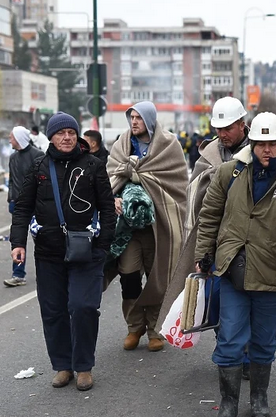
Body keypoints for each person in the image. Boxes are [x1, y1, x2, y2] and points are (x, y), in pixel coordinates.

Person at [195, 112, 276, 417]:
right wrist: (204, 254)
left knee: (265, 340)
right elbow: (209, 216)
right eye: (260, 143)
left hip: (273, 272)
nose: (266, 149)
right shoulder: (229, 173)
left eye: (272, 144)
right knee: (229, 339)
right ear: (252, 143)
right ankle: (228, 403)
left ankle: (259, 400)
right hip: (232, 271)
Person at [10, 112, 116, 390]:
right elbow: (23, 207)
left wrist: (103, 245)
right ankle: (63, 366)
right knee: (53, 310)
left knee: (83, 307)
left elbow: (107, 208)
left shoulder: (93, 165)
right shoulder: (39, 167)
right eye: (60, 133)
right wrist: (17, 243)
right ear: (51, 137)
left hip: (87, 252)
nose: (66, 137)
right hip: (48, 252)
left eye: (71, 132)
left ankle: (83, 367)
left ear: (77, 135)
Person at [157, 96, 252, 378]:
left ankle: (246, 354)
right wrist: (202, 251)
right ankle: (231, 353)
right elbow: (196, 196)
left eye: (228, 128)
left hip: (251, 240)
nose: (222, 134)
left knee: (251, 301)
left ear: (242, 124)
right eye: (218, 128)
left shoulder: (259, 151)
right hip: (214, 237)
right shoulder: (208, 154)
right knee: (219, 301)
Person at [106, 101, 188, 352]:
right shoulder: (121, 144)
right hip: (128, 230)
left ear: (150, 120)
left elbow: (177, 184)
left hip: (158, 226)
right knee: (128, 276)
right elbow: (109, 177)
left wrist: (151, 191)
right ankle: (134, 327)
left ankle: (155, 329)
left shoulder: (168, 145)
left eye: (139, 118)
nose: (134, 122)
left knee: (158, 277)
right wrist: (114, 198)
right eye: (131, 117)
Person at [4, 126, 44, 287]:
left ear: (19, 138)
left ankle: (47, 272)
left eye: (11, 137)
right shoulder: (13, 157)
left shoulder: (38, 155)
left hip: (37, 205)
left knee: (42, 239)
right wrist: (11, 199)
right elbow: (12, 181)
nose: (9, 140)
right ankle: (18, 274)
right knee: (18, 240)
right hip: (19, 206)